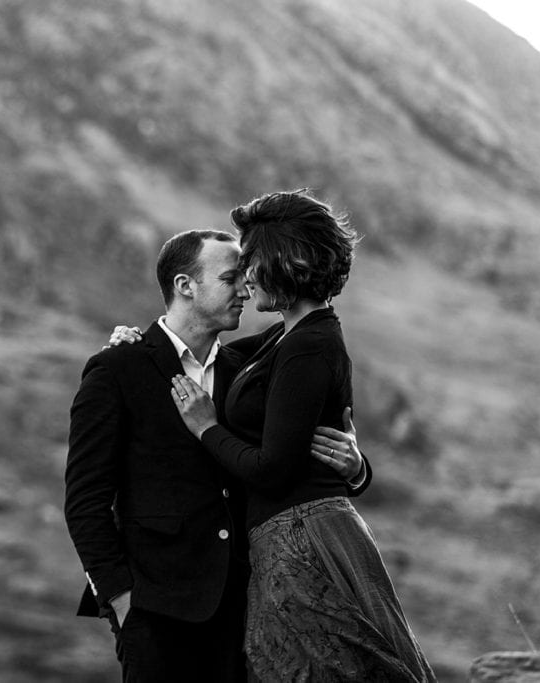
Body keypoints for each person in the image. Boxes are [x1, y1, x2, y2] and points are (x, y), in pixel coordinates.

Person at [64, 229, 370, 683]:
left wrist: (357, 469)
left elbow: (288, 454)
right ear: (186, 286)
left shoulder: (246, 371)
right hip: (155, 609)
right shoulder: (117, 369)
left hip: (245, 608)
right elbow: (84, 502)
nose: (246, 289)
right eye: (231, 278)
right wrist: (122, 601)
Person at [170, 190, 435, 681]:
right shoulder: (283, 337)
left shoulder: (309, 345)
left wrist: (206, 427)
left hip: (304, 541)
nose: (246, 278)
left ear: (287, 260)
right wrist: (140, 343)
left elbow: (273, 470)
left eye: (252, 262)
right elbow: (205, 353)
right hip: (291, 535)